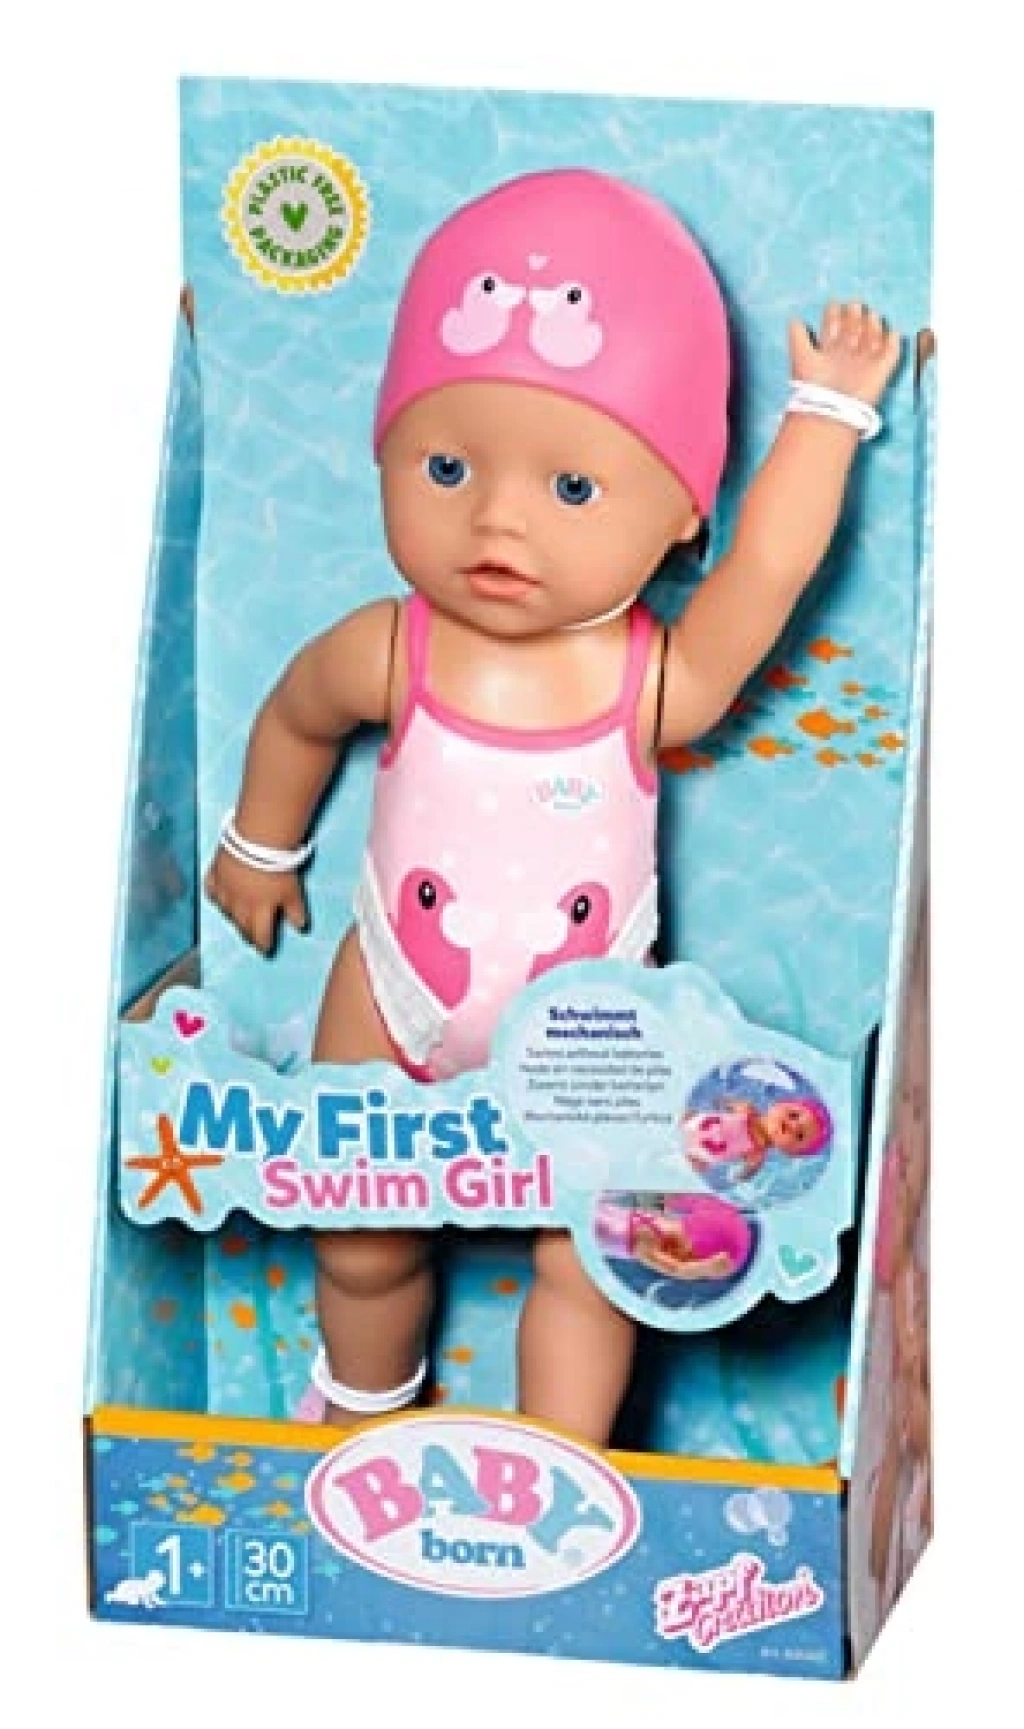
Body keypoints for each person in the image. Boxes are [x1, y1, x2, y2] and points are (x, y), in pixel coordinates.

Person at [206, 167, 901, 1444]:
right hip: (390, 991)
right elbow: (297, 713)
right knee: (358, 1233)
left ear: (681, 514)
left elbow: (767, 569)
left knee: (597, 1254)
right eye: (447, 464)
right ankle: (362, 1402)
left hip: (596, 1036)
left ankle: (563, 1458)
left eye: (572, 489)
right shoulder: (393, 647)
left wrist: (826, 413)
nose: (496, 519)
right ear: (384, 453)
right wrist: (259, 843)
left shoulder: (652, 681)